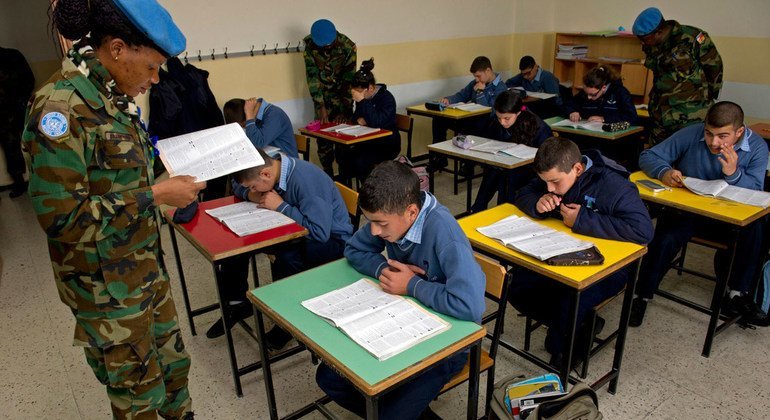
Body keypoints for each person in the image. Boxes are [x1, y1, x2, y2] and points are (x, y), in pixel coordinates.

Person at [22, 0, 204, 418]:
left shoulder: (114, 96)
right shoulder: (60, 110)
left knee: (174, 366)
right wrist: (156, 197)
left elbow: (124, 179)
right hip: (105, 290)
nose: (155, 80)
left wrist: (165, 191)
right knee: (136, 392)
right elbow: (62, 220)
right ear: (118, 49)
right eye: (152, 67)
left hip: (144, 268)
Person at [316, 160, 485, 419]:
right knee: (330, 378)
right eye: (371, 221)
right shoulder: (390, 215)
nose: (374, 230)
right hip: (402, 319)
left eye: (381, 223)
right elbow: (354, 248)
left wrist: (412, 285)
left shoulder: (444, 233)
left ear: (412, 212)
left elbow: (470, 305)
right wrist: (385, 272)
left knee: (389, 412)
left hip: (447, 344)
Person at [511, 137, 653, 367]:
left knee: (570, 300)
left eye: (555, 183)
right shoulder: (554, 173)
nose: (550, 188)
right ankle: (581, 324)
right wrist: (538, 202)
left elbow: (643, 230)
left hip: (607, 267)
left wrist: (583, 220)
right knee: (517, 287)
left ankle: (565, 349)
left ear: (577, 168)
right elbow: (522, 194)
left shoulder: (615, 185)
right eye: (545, 182)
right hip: (558, 254)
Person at [631, 101, 768, 327]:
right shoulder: (692, 133)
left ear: (740, 132)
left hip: (729, 221)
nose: (714, 142)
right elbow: (648, 156)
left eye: (723, 136)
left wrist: (733, 173)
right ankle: (642, 295)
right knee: (665, 236)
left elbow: (755, 192)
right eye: (709, 133)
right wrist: (664, 172)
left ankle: (737, 293)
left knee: (758, 226)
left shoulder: (758, 146)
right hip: (691, 212)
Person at [207, 149, 353, 344]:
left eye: (253, 187)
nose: (253, 190)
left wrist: (281, 206)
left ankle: (287, 324)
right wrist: (253, 196)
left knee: (287, 258)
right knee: (237, 245)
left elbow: (319, 232)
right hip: (294, 228)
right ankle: (237, 303)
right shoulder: (271, 169)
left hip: (331, 241)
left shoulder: (305, 181)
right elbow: (239, 186)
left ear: (266, 174)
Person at [633, 7, 723, 145]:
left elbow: (714, 68)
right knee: (657, 156)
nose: (642, 43)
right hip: (661, 113)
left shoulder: (693, 38)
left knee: (688, 157)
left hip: (690, 114)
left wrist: (704, 98)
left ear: (659, 32)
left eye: (644, 39)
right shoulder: (651, 45)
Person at [470, 89, 552, 213]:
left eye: (507, 118)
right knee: (494, 170)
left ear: (518, 112)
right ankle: (478, 209)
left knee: (502, 174)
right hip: (506, 165)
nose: (502, 122)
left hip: (530, 170)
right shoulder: (498, 122)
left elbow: (546, 158)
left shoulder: (538, 126)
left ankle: (496, 210)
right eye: (499, 118)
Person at [431, 56, 507, 170]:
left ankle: (468, 164)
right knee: (439, 119)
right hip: (471, 120)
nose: (476, 79)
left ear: (488, 71)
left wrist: (480, 93)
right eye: (475, 76)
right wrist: (448, 100)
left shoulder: (501, 88)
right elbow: (462, 95)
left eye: (478, 76)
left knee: (471, 128)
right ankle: (439, 158)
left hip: (488, 124)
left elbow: (491, 111)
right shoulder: (475, 83)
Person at [303, 19, 357, 177]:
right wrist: (321, 107)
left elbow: (349, 81)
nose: (326, 48)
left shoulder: (347, 46)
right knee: (323, 142)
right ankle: (327, 176)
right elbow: (312, 79)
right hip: (322, 99)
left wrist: (345, 110)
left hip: (342, 98)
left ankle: (344, 179)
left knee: (343, 142)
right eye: (323, 46)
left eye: (329, 45)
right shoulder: (310, 47)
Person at [335, 58, 400, 183]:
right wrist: (362, 113)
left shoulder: (387, 98)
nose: (357, 95)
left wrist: (363, 102)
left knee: (361, 161)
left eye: (359, 91)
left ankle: (368, 192)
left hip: (386, 143)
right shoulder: (363, 99)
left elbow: (377, 122)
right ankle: (345, 191)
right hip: (367, 141)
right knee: (342, 152)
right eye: (355, 91)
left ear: (370, 88)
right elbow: (356, 119)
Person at [0, 46, 34, 197]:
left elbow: (28, 80)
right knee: (11, 147)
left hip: (18, 109)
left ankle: (25, 182)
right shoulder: (13, 55)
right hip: (7, 112)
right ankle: (20, 183)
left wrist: (20, 101)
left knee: (31, 144)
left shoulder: (12, 55)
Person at [222, 97, 299, 158]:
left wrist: (249, 117)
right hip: (269, 158)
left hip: (287, 162)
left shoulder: (275, 115)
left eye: (244, 125)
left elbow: (258, 143)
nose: (245, 128)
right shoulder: (255, 115)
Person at [564, 66, 638, 125]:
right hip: (588, 133)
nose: (588, 97)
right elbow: (567, 105)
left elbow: (632, 118)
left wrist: (604, 119)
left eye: (593, 94)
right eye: (586, 93)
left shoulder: (620, 92)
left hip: (612, 138)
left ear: (603, 87)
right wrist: (572, 112)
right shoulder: (586, 93)